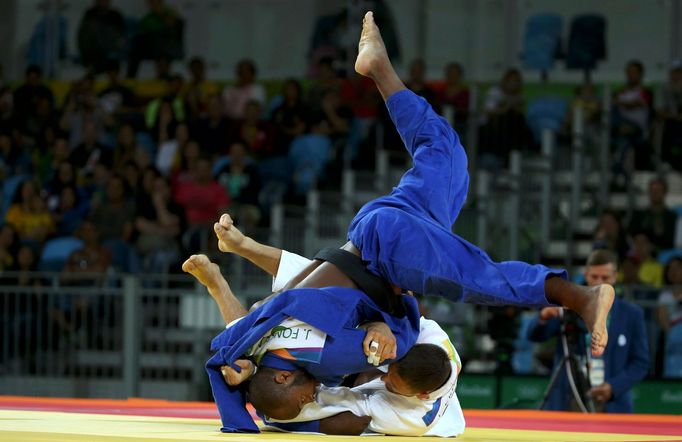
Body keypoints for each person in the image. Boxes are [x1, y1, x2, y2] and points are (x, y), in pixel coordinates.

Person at [194, 11, 614, 433]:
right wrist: (238, 357)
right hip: (379, 234)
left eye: (305, 395)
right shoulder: (262, 332)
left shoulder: (321, 357)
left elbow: (384, 335)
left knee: (477, 279)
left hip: (387, 251)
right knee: (445, 154)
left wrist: (382, 330)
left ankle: (580, 297)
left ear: (283, 377)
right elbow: (261, 310)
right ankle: (380, 69)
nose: (313, 395)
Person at [189, 214, 464, 437]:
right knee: (316, 292)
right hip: (372, 326)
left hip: (346, 374)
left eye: (391, 383)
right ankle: (245, 245)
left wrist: (254, 385)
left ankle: (218, 285)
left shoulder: (411, 417)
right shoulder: (430, 338)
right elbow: (400, 306)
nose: (384, 377)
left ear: (422, 394)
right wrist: (380, 323)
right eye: (389, 372)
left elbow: (340, 418)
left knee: (260, 325)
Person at [528, 250, 649, 412]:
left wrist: (614, 387)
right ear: (586, 275)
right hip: (568, 399)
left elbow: (640, 362)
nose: (599, 282)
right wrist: (544, 316)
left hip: (612, 405)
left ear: (615, 276)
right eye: (594, 277)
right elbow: (534, 335)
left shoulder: (632, 314)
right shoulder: (570, 305)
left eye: (605, 278)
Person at [629, 177, 678, 252]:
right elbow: (631, 235)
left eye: (658, 190)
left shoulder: (672, 217)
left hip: (664, 256)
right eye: (652, 190)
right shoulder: (638, 216)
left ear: (665, 193)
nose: (655, 193)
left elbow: (673, 241)